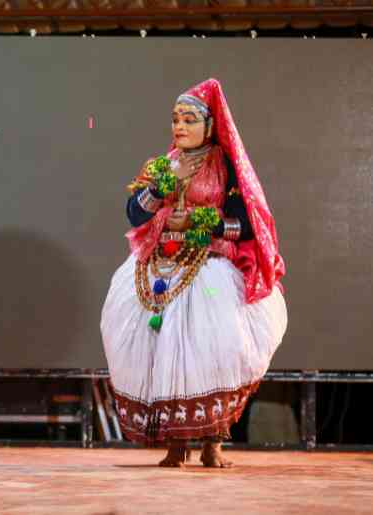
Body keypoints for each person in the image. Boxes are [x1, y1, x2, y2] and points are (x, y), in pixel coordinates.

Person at [100, 78, 287, 467]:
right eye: (174, 119)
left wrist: (204, 223)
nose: (179, 126)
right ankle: (175, 445)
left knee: (214, 348)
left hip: (210, 275)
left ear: (209, 125)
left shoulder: (225, 167)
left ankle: (213, 444)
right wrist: (158, 197)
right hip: (158, 269)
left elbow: (247, 225)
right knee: (158, 350)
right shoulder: (160, 165)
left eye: (188, 119)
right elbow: (134, 214)